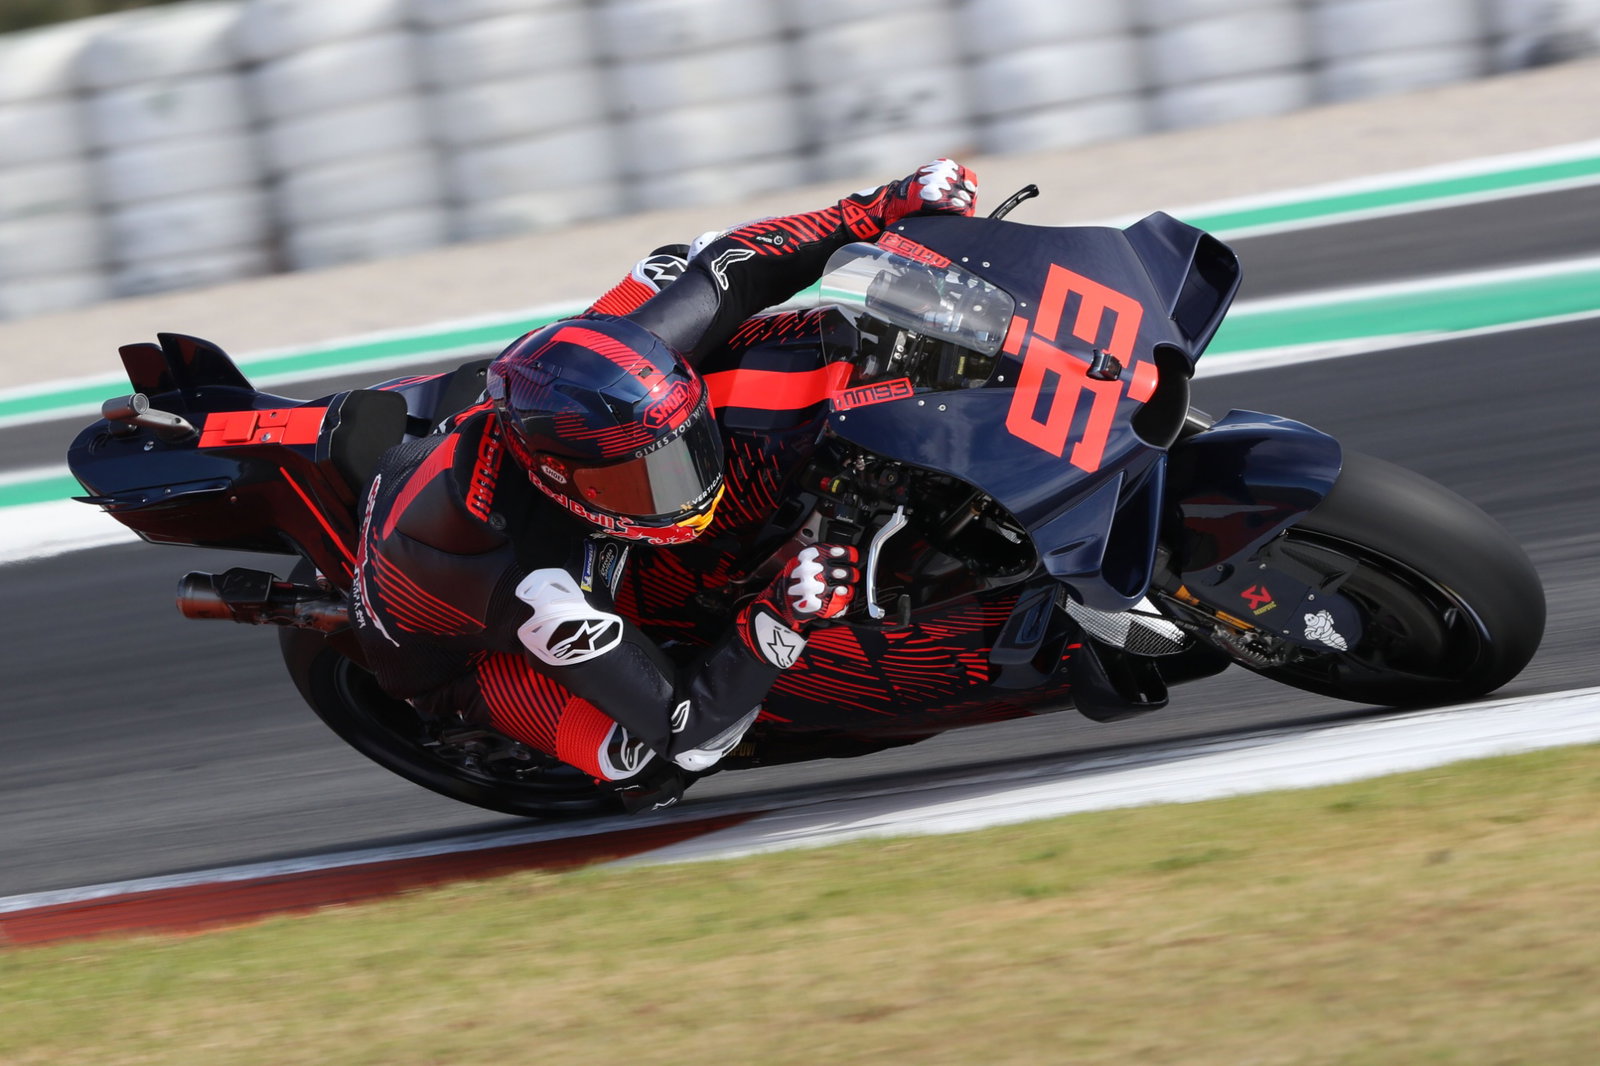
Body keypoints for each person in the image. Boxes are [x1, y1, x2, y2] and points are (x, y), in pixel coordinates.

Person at [350, 159, 979, 807]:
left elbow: (732, 263)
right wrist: (778, 613)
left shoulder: (626, 350)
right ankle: (488, 722)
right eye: (646, 479)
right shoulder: (541, 594)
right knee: (641, 763)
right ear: (567, 483)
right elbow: (688, 732)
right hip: (449, 645)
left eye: (683, 451)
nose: (685, 485)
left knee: (670, 268)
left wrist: (886, 204)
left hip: (474, 444)